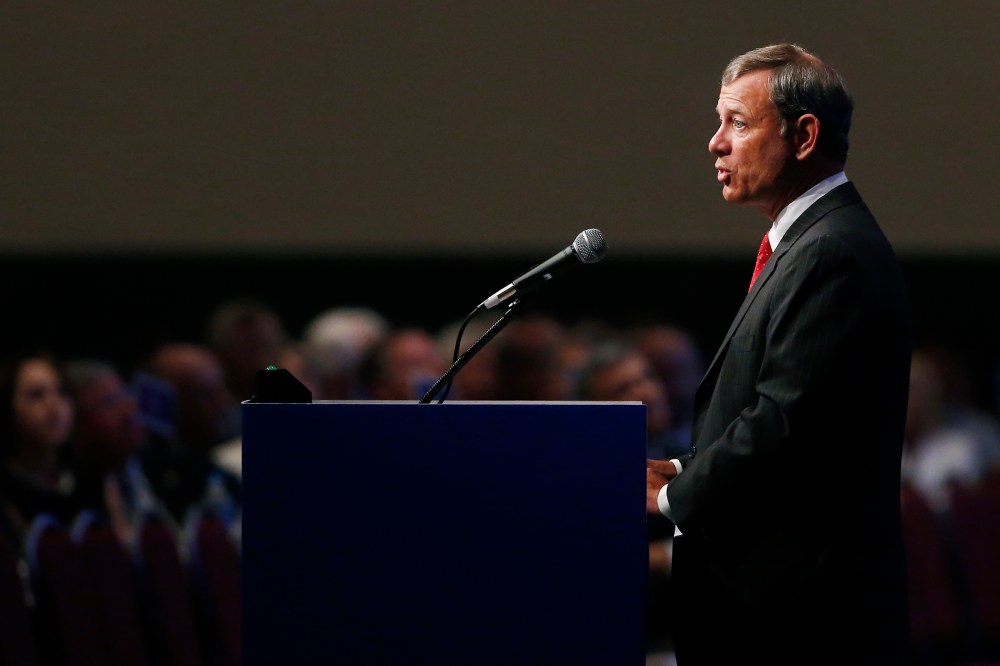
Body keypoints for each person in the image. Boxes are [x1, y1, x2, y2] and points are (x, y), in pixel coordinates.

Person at [645, 43, 913, 664]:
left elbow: (785, 423)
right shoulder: (812, 241)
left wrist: (668, 500)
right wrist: (686, 470)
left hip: (800, 619)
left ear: (804, 135)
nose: (716, 143)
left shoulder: (830, 252)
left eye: (737, 123)